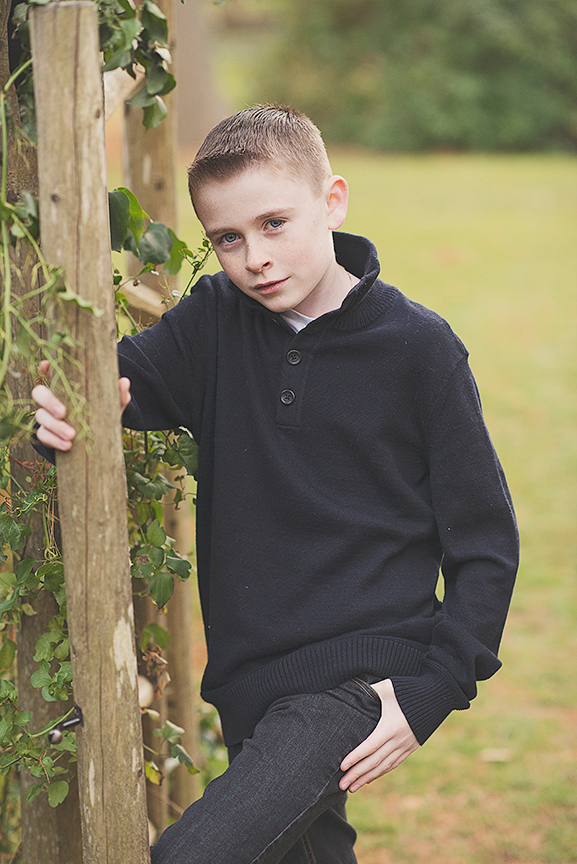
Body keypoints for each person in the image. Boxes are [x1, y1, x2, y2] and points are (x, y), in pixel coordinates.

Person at [33, 104, 519, 864]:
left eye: (274, 224)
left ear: (332, 201)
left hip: (356, 677)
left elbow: (485, 541)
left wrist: (435, 689)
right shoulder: (213, 323)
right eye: (228, 238)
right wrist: (69, 409)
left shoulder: (419, 350)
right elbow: (116, 382)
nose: (254, 256)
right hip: (248, 680)